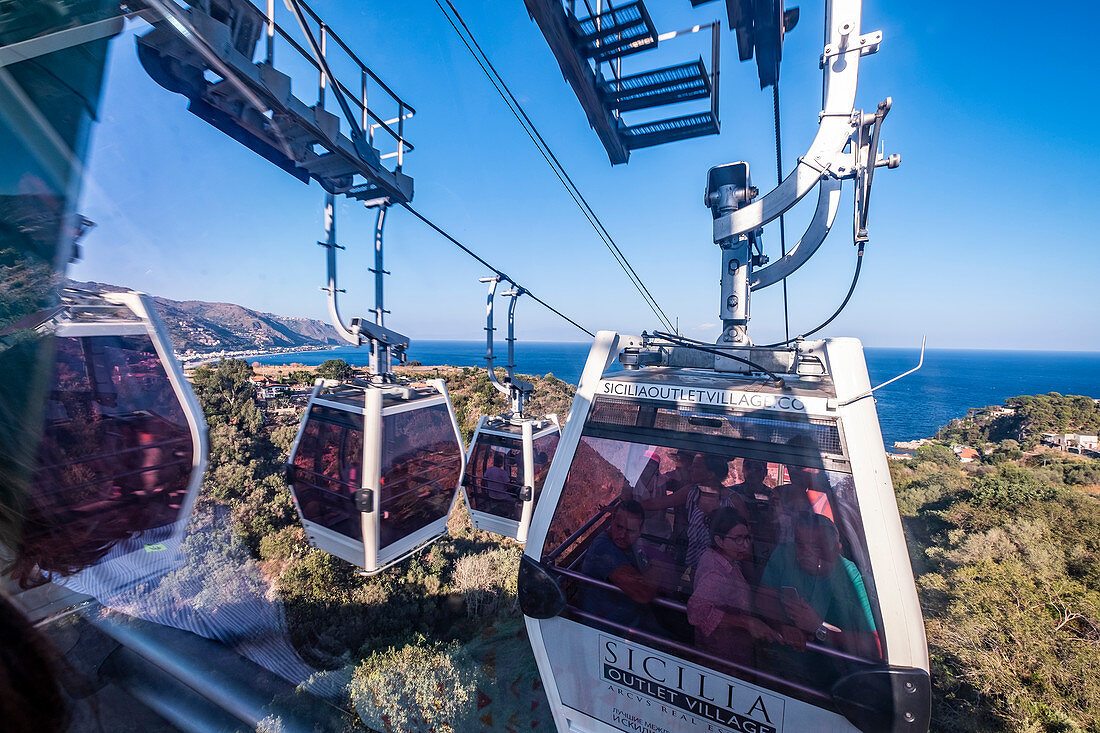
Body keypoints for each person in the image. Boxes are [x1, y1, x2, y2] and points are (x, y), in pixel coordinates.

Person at [757, 512, 879, 659]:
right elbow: (764, 599)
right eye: (800, 544)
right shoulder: (785, 553)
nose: (806, 553)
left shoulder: (850, 575)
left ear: (836, 549)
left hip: (832, 660)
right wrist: (782, 626)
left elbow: (873, 644)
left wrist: (818, 628)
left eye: (816, 547)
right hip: (784, 651)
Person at [687, 508, 781, 666]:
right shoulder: (716, 575)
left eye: (746, 538)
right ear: (719, 541)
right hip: (721, 657)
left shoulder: (726, 561)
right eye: (738, 539)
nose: (745, 545)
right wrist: (746, 622)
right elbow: (696, 612)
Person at [642, 453, 748, 569]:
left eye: (696, 466)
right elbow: (660, 503)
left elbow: (746, 539)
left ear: (710, 473)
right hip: (694, 562)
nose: (690, 468)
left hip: (722, 566)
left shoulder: (734, 501)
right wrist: (630, 501)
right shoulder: (691, 492)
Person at [580, 501, 660, 629]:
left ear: (640, 531)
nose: (622, 535)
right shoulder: (604, 549)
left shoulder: (631, 546)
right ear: (612, 521)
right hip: (608, 628)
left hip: (632, 618)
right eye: (619, 527)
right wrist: (657, 570)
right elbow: (643, 592)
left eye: (630, 531)